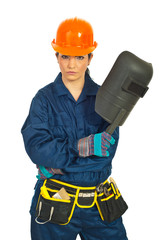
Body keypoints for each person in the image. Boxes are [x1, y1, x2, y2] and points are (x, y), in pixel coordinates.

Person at [21, 17, 128, 240]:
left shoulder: (105, 99)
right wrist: (80, 147)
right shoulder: (43, 100)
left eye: (79, 57)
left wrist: (56, 166)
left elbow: (105, 157)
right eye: (65, 56)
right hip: (55, 201)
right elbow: (37, 148)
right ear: (57, 57)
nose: (72, 65)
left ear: (90, 57)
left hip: (100, 205)